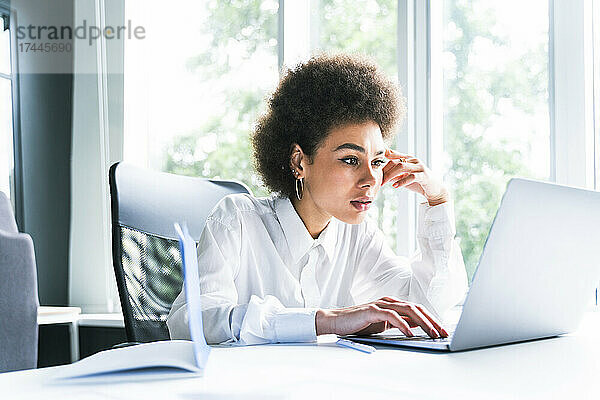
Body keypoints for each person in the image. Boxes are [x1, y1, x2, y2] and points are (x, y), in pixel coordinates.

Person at [167, 53, 468, 345]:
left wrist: (437, 201)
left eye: (376, 162)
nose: (370, 179)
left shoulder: (356, 234)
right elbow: (192, 321)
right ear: (299, 161)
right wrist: (325, 320)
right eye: (350, 160)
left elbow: (426, 309)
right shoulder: (237, 220)